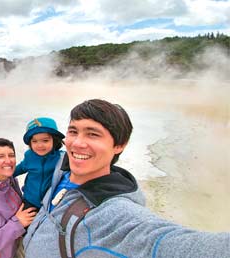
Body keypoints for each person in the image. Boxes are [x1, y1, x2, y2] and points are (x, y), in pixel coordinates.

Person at [23, 99, 230, 258]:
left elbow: (164, 242)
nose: (77, 143)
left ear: (119, 144)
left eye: (93, 134)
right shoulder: (61, 166)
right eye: (73, 131)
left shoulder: (112, 214)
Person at [13, 117, 65, 211]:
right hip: (29, 200)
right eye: (34, 141)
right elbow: (20, 168)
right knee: (26, 223)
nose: (40, 145)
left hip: (50, 202)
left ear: (55, 140)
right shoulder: (29, 156)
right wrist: (3, 175)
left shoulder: (61, 158)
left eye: (45, 140)